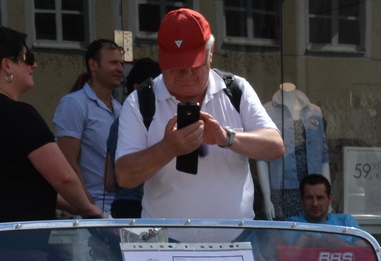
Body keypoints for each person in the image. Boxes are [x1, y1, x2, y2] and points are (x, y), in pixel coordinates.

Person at [113, 8, 282, 221]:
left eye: (193, 65)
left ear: (210, 53)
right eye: (176, 66)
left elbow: (275, 146)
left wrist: (226, 137)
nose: (186, 74)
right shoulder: (140, 101)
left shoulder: (236, 90)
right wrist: (168, 148)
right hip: (167, 243)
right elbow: (125, 177)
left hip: (236, 238)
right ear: (162, 59)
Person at [0, 26, 101, 226]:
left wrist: (77, 205)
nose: (34, 65)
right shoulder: (19, 114)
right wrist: (89, 209)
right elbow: (63, 177)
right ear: (7, 65)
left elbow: (18, 184)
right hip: (17, 241)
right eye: (27, 58)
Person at [53, 37, 123, 214]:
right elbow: (67, 162)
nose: (120, 69)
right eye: (113, 63)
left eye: (121, 63)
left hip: (120, 210)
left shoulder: (121, 109)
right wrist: (89, 207)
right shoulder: (74, 104)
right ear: (93, 65)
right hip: (92, 212)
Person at [105, 56, 159, 218]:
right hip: (145, 205)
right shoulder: (154, 122)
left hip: (121, 205)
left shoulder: (116, 124)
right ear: (139, 87)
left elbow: (109, 182)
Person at [286, 173, 356, 226]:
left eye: (320, 198)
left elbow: (362, 245)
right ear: (301, 199)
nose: (315, 204)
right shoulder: (292, 225)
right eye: (309, 198)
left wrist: (332, 241)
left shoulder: (346, 222)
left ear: (330, 199)